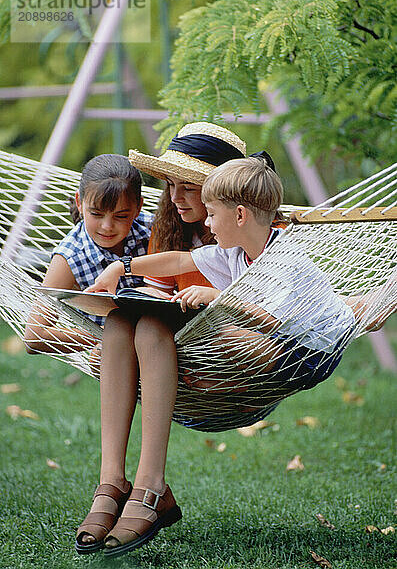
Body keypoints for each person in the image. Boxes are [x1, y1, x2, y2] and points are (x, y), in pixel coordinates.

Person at [83, 154, 357, 559]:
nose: (206, 224)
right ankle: (117, 483)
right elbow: (179, 260)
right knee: (127, 321)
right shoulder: (233, 253)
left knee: (210, 331)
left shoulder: (285, 260)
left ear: (241, 215)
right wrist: (122, 267)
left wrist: (219, 299)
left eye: (212, 215)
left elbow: (272, 322)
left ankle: (156, 471)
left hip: (304, 350)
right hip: (262, 335)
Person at [74, 122, 253, 558]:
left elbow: (261, 305)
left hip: (224, 350)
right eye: (171, 185)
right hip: (169, 346)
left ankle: (151, 484)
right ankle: (112, 480)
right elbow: (159, 284)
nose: (176, 197)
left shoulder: (247, 235)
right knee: (118, 322)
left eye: (190, 187)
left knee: (151, 326)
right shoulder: (170, 228)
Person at [24, 153, 152, 354]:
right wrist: (103, 336)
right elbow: (34, 337)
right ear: (79, 203)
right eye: (96, 214)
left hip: (160, 335)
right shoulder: (71, 255)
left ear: (138, 207)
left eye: (121, 216)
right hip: (111, 350)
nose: (107, 226)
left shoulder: (152, 230)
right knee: (98, 357)